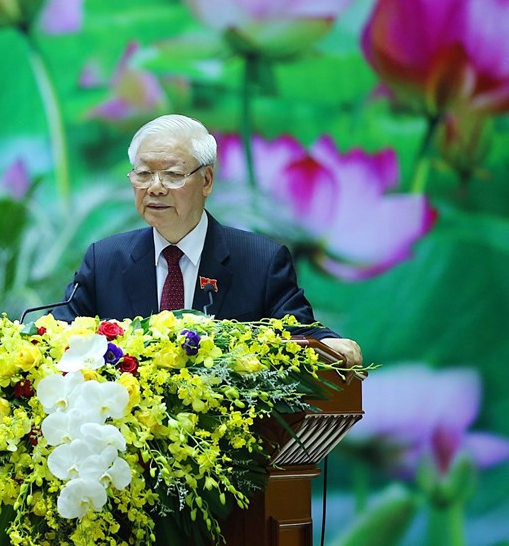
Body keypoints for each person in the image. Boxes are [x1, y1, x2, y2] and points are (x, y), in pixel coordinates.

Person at [52, 114, 362, 367]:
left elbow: (297, 332)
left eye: (172, 175)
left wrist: (327, 343)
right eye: (144, 174)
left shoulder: (260, 260)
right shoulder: (105, 259)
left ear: (207, 180)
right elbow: (57, 333)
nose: (155, 188)